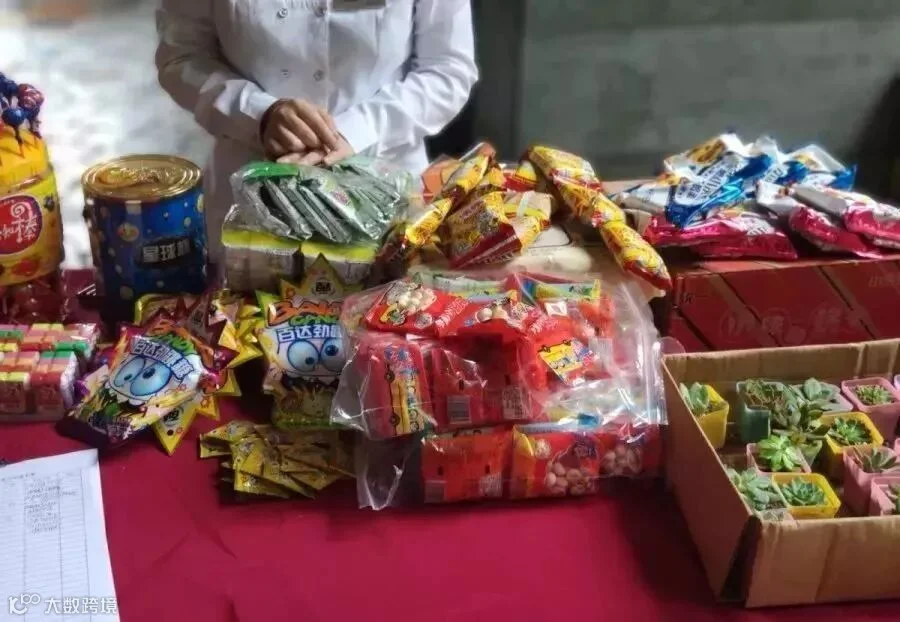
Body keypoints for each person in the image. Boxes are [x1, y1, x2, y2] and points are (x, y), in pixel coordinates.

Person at [155, 0, 478, 262]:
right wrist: (257, 113)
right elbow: (183, 57)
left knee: (388, 316)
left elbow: (448, 69)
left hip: (387, 195)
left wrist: (357, 129)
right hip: (250, 200)